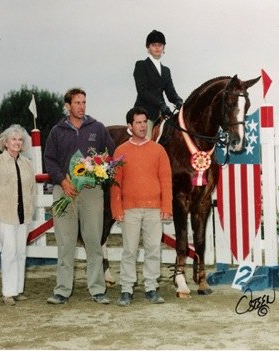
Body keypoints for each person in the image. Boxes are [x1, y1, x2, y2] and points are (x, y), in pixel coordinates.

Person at [44, 88, 115, 305]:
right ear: (67, 105)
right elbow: (49, 160)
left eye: (84, 102)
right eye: (77, 103)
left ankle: (97, 289)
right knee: (65, 242)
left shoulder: (98, 128)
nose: (81, 106)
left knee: (93, 241)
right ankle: (62, 290)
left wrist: (100, 171)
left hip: (91, 191)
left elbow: (110, 155)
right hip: (64, 190)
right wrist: (62, 181)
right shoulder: (57, 131)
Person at [110, 106, 172, 307]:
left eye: (145, 122)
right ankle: (126, 289)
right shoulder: (120, 151)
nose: (143, 126)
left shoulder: (158, 150)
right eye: (138, 122)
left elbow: (165, 180)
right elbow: (115, 183)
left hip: (154, 209)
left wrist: (166, 206)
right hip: (130, 210)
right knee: (129, 250)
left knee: (153, 249)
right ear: (130, 126)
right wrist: (116, 209)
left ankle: (151, 287)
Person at [0, 124, 36, 306]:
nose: (17, 142)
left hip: (24, 216)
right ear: (5, 142)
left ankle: (18, 289)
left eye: (20, 140)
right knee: (9, 253)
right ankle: (7, 292)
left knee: (21, 252)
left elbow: (31, 191)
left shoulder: (27, 163)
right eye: (13, 139)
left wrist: (31, 212)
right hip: (4, 215)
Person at [133, 29, 183, 122]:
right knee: (146, 136)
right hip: (144, 114)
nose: (157, 48)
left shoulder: (166, 70)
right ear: (148, 47)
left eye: (160, 45)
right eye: (154, 45)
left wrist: (178, 101)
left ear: (163, 48)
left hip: (162, 114)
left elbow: (170, 92)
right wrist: (161, 104)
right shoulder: (141, 65)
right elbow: (142, 91)